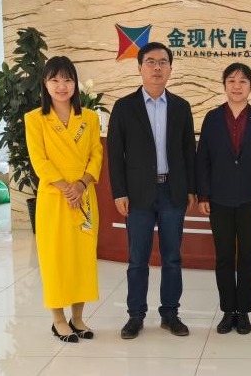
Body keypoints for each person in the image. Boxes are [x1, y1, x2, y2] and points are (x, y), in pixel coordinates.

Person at [107, 42, 197, 340]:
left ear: (170, 68)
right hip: (137, 195)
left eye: (163, 62)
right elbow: (115, 154)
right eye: (150, 62)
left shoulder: (181, 107)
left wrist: (191, 188)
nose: (157, 68)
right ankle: (135, 316)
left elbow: (188, 151)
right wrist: (119, 192)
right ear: (140, 68)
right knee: (138, 259)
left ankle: (170, 314)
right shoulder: (124, 107)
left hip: (172, 191)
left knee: (172, 257)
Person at [25, 56, 103, 343]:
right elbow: (39, 160)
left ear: (75, 84)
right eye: (55, 80)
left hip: (84, 196)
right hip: (54, 198)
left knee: (82, 257)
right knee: (55, 258)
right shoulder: (35, 119)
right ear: (45, 84)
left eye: (67, 79)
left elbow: (96, 154)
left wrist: (81, 184)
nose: (61, 86)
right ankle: (58, 320)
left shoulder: (90, 118)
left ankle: (78, 318)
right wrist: (66, 188)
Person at [196, 63, 251, 335]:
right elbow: (203, 159)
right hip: (219, 199)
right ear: (224, 85)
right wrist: (203, 194)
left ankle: (244, 312)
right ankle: (228, 310)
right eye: (231, 80)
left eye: (242, 81)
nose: (237, 86)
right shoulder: (212, 118)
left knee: (249, 257)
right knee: (224, 257)